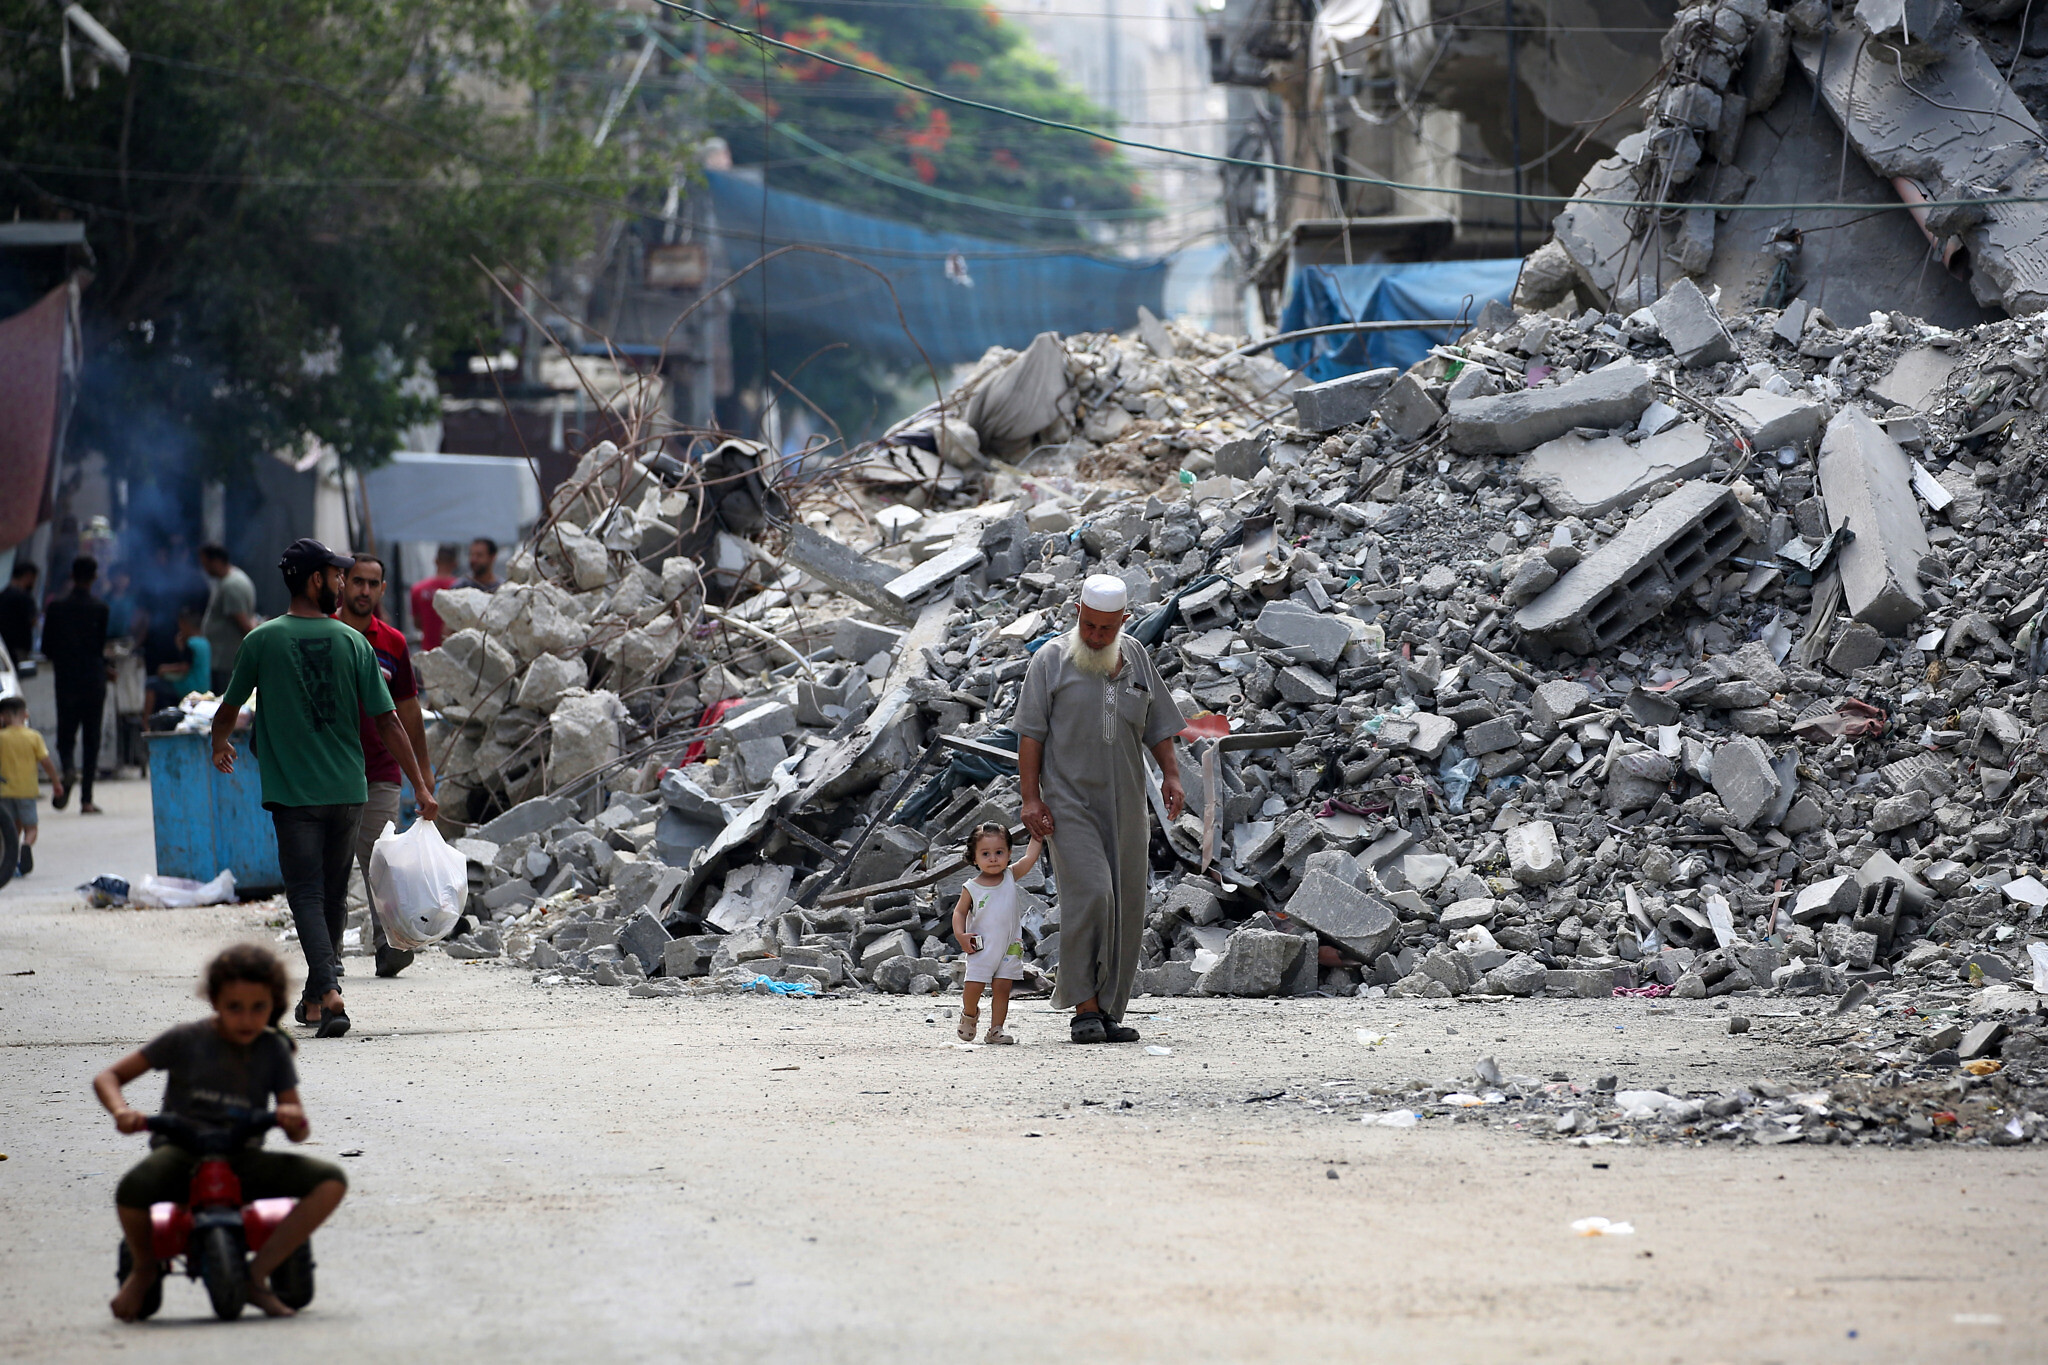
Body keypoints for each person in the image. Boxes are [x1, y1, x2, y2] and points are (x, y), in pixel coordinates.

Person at [211, 540, 439, 1038]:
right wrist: (420, 784)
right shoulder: (354, 643)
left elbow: (228, 707)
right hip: (348, 790)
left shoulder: (263, 640)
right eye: (337, 577)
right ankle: (315, 999)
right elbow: (389, 723)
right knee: (332, 895)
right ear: (316, 581)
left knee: (307, 893)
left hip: (296, 794)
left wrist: (219, 742)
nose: (343, 584)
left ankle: (331, 991)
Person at [95, 943, 348, 1321]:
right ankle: (145, 1267)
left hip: (242, 1156)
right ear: (214, 1001)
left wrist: (292, 1119)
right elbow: (109, 1077)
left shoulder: (273, 1050)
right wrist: (122, 1111)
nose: (247, 1019)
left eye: (258, 1008)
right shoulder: (185, 1039)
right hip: (182, 1153)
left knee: (331, 1181)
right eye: (235, 1008)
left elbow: (296, 1127)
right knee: (132, 1190)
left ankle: (256, 1275)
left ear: (274, 1005)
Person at [1015, 574, 1186, 1046]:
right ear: (1077, 615)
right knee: (1092, 893)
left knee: (1128, 903)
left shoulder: (1136, 659)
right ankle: (1084, 1008)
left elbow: (1158, 724)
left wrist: (1171, 775)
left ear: (1123, 622)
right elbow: (1030, 735)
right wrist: (1031, 798)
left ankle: (1110, 1010)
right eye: (1089, 626)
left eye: (1105, 629)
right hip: (1068, 802)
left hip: (1128, 802)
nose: (1095, 636)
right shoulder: (1050, 661)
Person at [336, 552, 436, 978]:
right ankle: (328, 953)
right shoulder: (326, 634)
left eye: (372, 584)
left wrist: (423, 774)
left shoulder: (393, 643)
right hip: (332, 770)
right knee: (333, 864)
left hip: (380, 769)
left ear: (382, 589)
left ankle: (388, 943)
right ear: (342, 583)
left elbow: (407, 711)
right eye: (357, 581)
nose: (364, 591)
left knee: (380, 859)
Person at [950, 822, 1043, 1045]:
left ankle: (996, 1029)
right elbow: (959, 912)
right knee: (974, 985)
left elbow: (1029, 858)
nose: (993, 858)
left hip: (1010, 946)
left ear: (1009, 854)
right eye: (986, 853)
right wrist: (960, 935)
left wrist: (1038, 835)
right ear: (974, 858)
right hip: (981, 946)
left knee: (1003, 988)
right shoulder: (972, 887)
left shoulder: (1011, 876)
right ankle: (970, 1014)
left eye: (999, 852)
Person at [40, 555, 111, 814]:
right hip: (94, 679)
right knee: (92, 738)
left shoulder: (56, 608)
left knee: (66, 736)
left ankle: (68, 768)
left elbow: (47, 648)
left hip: (67, 680)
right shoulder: (100, 608)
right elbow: (99, 647)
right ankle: (87, 800)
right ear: (94, 578)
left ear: (72, 576)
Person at [0, 696, 64, 876]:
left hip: (4, 791)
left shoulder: (1, 738)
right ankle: (26, 845)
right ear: (25, 715)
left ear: (2, 717)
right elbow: (46, 762)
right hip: (27, 790)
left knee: (10, 829)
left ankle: (8, 864)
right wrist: (56, 783)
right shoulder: (34, 737)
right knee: (31, 827)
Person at [199, 543, 258, 692]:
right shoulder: (228, 580)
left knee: (225, 701)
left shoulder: (232, 585)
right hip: (221, 658)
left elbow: (243, 622)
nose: (205, 569)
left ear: (216, 561)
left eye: (206, 564)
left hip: (226, 660)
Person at [145, 608, 212, 713]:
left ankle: (145, 722)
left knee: (151, 684)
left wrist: (164, 669)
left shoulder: (191, 643)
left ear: (185, 624)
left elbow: (184, 667)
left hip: (189, 687)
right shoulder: (204, 642)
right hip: (204, 686)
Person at [408, 543, 462, 650]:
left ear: (435, 561)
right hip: (454, 653)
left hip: (428, 652)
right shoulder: (460, 590)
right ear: (455, 564)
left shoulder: (418, 589)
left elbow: (417, 623)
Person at [0, 560, 37, 663]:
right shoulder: (25, 598)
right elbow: (33, 621)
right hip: (19, 649)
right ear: (28, 576)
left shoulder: (3, 595)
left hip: (2, 648)